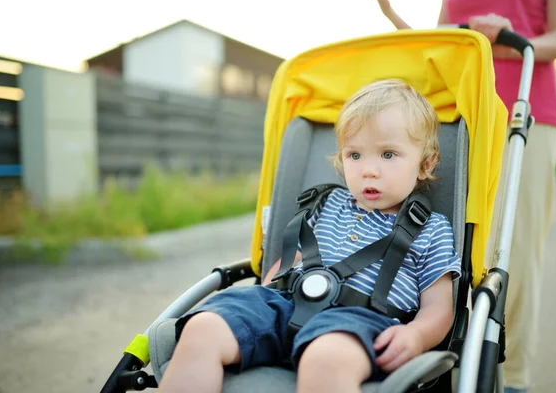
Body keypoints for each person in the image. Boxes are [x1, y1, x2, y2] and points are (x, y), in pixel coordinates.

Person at [158, 79, 462, 393]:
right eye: (355, 155)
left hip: (358, 322)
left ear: (425, 163)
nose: (368, 170)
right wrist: (266, 294)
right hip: (288, 305)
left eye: (387, 155)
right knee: (203, 328)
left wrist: (417, 336)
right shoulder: (327, 203)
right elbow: (295, 258)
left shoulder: (430, 229)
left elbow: (438, 309)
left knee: (325, 360)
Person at [373, 0, 556, 392]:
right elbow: (440, 42)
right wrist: (389, 11)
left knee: (511, 253)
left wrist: (506, 38)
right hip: (460, 110)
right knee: (447, 243)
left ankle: (512, 377)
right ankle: (448, 358)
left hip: (526, 109)